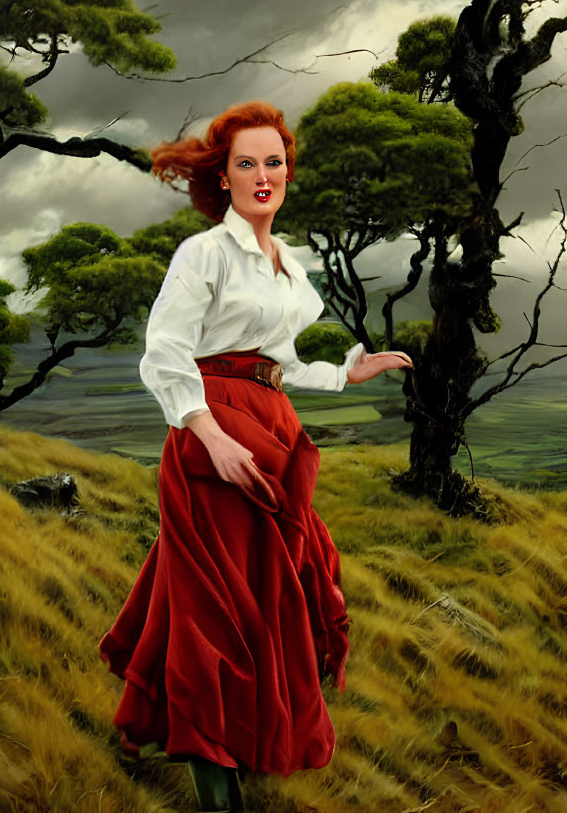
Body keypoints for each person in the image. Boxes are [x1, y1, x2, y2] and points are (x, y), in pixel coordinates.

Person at [98, 101, 413, 812]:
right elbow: (165, 355)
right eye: (248, 163)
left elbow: (279, 362)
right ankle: (219, 795)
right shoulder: (204, 253)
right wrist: (211, 437)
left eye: (274, 161)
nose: (264, 174)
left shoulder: (287, 262)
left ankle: (246, 750)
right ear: (225, 177)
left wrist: (344, 374)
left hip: (272, 433)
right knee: (214, 616)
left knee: (271, 606)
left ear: (287, 172)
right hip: (213, 433)